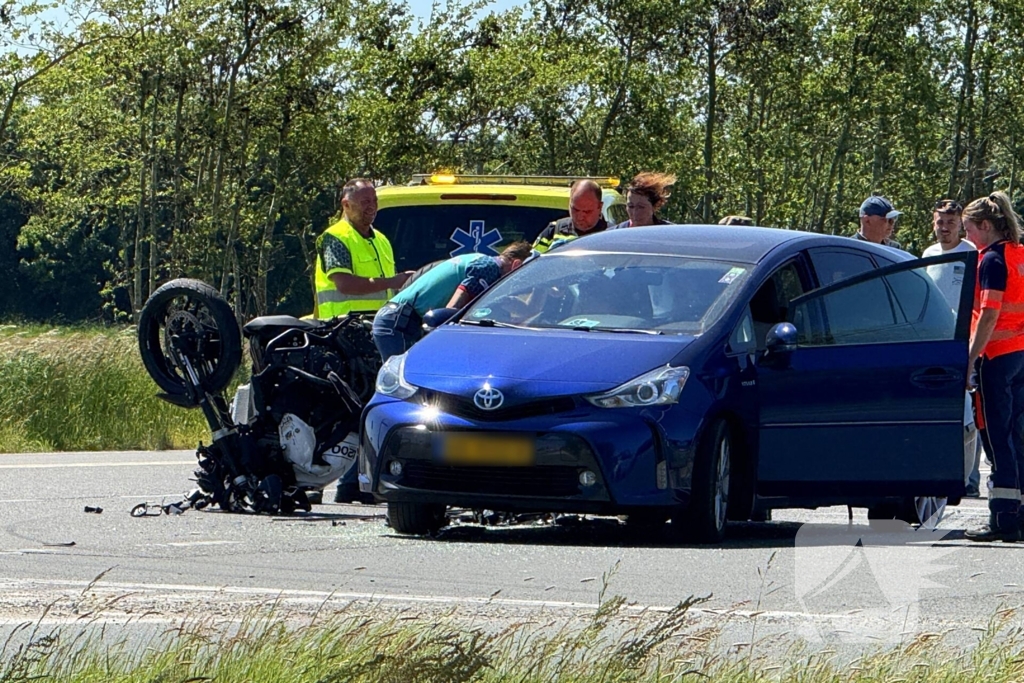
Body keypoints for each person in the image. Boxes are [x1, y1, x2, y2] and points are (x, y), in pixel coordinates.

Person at [962, 192, 1024, 542]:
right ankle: (1018, 515)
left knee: (996, 438)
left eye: (970, 229)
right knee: (1017, 439)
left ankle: (1002, 519)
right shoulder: (1020, 254)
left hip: (996, 357)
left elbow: (989, 312)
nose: (968, 237)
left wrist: (970, 358)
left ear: (985, 226)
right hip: (1020, 354)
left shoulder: (991, 261)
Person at [371, 241, 534, 362]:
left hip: (401, 318)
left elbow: (517, 308)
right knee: (404, 383)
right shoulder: (489, 268)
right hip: (399, 322)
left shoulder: (483, 262)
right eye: (525, 274)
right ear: (516, 264)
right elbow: (452, 309)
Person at [921, 199, 982, 498]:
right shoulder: (928, 254)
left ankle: (970, 478)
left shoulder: (970, 253)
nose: (944, 229)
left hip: (964, 338)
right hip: (934, 338)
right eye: (940, 222)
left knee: (970, 407)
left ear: (960, 226)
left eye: (950, 223)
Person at [313, 179, 413, 320]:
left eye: (374, 201)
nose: (372, 207)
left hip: (378, 325)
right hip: (342, 327)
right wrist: (393, 281)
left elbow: (390, 290)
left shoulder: (381, 240)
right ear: (346, 204)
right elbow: (344, 285)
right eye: (365, 202)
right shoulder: (335, 237)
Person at [533, 179, 607, 253]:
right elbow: (532, 260)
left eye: (587, 212)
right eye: (575, 209)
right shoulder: (553, 231)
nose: (580, 217)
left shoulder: (611, 234)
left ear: (600, 207)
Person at [609, 172, 676, 229]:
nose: (635, 213)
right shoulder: (615, 234)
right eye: (631, 206)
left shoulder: (669, 232)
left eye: (641, 207)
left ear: (655, 206)